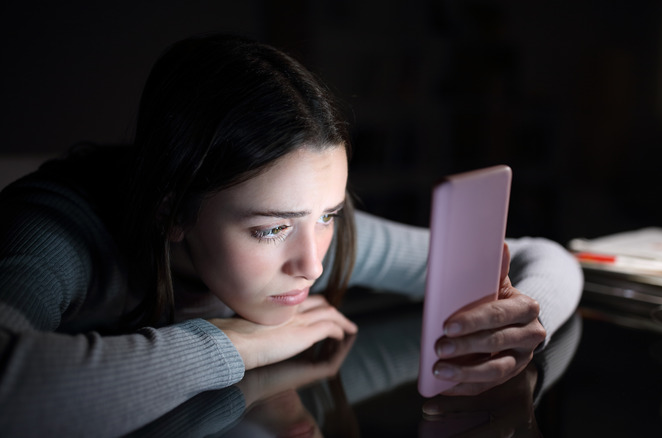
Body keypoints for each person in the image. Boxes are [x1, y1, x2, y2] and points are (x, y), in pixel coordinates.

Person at [0, 33, 582, 436]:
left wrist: (521, 320)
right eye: (271, 228)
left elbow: (542, 255)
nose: (310, 263)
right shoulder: (55, 232)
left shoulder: (309, 237)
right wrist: (236, 342)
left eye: (328, 215)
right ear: (170, 211)